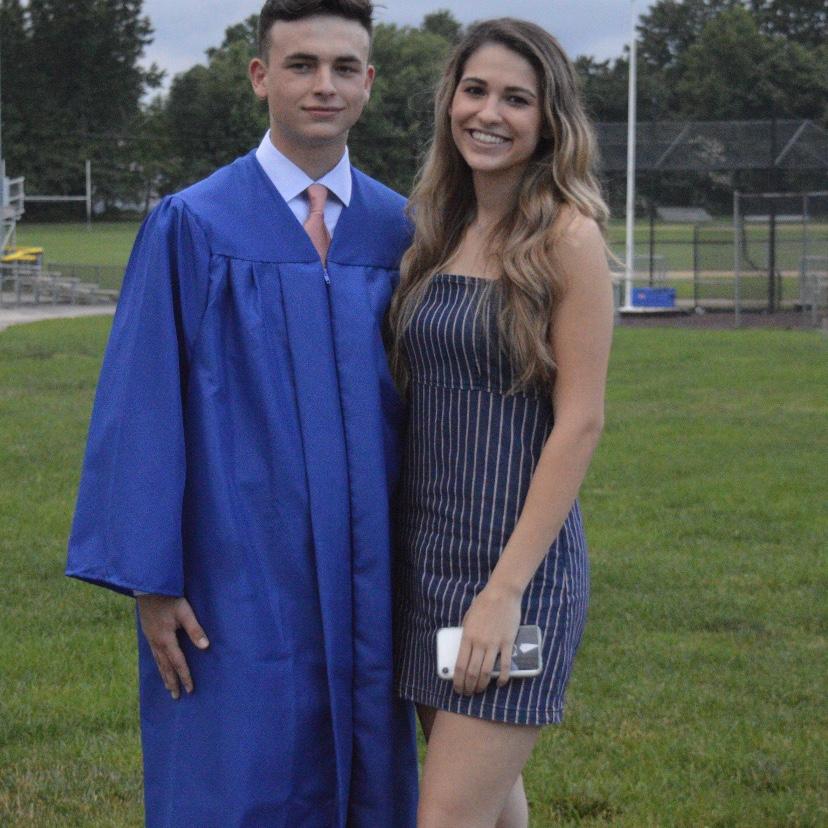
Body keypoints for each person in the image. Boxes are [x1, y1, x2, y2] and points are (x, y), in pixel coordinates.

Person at [65, 1, 418, 825]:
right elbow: (141, 405)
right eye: (301, 65)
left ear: (369, 82)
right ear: (261, 77)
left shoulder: (403, 229)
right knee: (240, 770)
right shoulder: (194, 222)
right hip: (237, 564)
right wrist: (153, 582)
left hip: (375, 565)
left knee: (373, 774)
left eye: (343, 67)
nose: (323, 85)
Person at [389, 18, 613, 828]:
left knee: (447, 816)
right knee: (492, 809)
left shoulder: (567, 237)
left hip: (516, 577)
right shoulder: (435, 229)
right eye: (475, 90)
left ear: (549, 121)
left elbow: (579, 423)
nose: (489, 113)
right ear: (449, 100)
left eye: (516, 99)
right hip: (425, 566)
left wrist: (503, 593)